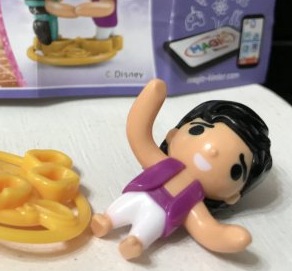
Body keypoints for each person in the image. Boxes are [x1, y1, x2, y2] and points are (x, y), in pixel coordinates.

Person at [91, 79, 272, 260]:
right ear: (173, 135)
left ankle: (135, 242)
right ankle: (106, 221)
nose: (213, 152)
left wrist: (228, 238)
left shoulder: (195, 201)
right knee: (123, 206)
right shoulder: (160, 161)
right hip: (139, 194)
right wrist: (151, 99)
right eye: (198, 130)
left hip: (161, 215)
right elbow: (138, 134)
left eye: (236, 170)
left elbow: (206, 229)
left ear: (233, 196)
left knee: (150, 224)